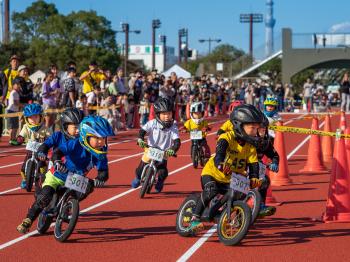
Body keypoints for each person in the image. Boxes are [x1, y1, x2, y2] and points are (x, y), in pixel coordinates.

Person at [16, 115, 114, 234]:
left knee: (88, 187)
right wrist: (57, 161)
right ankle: (28, 220)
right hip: (58, 175)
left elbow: (103, 172)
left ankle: (68, 206)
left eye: (104, 138)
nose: (101, 142)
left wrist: (99, 179)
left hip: (74, 180)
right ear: (86, 136)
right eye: (98, 138)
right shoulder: (75, 144)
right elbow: (58, 151)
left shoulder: (100, 154)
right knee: (44, 197)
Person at [187, 104, 263, 231]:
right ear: (240, 125)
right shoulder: (226, 138)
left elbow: (253, 164)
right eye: (252, 128)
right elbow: (219, 154)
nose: (255, 132)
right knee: (211, 190)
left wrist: (254, 177)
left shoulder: (250, 147)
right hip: (213, 173)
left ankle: (223, 212)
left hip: (230, 178)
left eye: (257, 128)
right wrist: (220, 164)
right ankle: (194, 219)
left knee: (239, 193)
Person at [131, 97, 181, 193]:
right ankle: (137, 178)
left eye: (169, 113)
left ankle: (160, 182)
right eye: (164, 114)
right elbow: (142, 131)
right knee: (141, 167)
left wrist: (173, 150)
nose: (167, 116)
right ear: (158, 114)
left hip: (164, 153)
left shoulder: (173, 127)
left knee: (163, 172)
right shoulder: (152, 123)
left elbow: (177, 141)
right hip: (150, 149)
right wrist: (140, 139)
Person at [15, 104, 52, 189]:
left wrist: (48, 139)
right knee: (23, 168)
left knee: (42, 165)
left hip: (41, 151)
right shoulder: (26, 127)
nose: (33, 119)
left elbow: (51, 136)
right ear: (26, 118)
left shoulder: (44, 128)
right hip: (30, 151)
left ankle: (43, 178)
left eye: (35, 117)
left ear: (41, 117)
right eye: (30, 117)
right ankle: (24, 180)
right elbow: (22, 134)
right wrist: (20, 138)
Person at [255, 115, 279, 217]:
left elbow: (274, 155)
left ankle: (261, 206)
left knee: (264, 181)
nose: (263, 130)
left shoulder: (265, 142)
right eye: (261, 128)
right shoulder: (246, 139)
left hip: (255, 166)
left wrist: (274, 163)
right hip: (240, 165)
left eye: (265, 128)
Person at [7, 77, 22, 145]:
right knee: (12, 126)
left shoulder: (16, 93)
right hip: (11, 111)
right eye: (17, 84)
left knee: (15, 126)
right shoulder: (13, 92)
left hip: (14, 111)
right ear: (13, 85)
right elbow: (15, 103)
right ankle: (11, 139)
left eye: (19, 84)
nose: (19, 85)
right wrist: (23, 105)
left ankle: (14, 139)